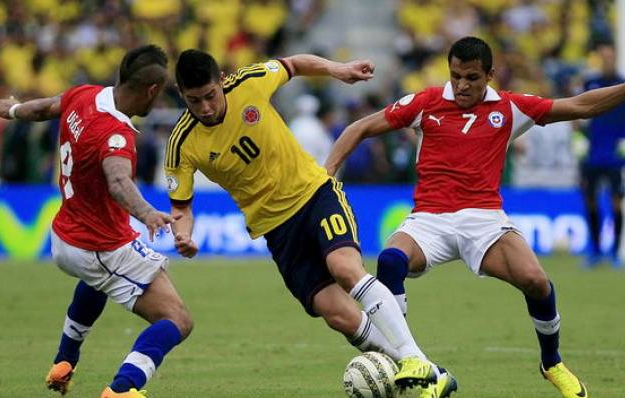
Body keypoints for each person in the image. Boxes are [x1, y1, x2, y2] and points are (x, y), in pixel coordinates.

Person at [323, 36, 625, 398]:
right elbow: (358, 129)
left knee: (536, 281)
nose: (462, 85)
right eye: (455, 76)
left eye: (471, 77)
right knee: (390, 260)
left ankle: (553, 363)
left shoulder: (511, 108)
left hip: (484, 220)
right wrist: (326, 177)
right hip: (429, 220)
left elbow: (581, 106)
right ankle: (415, 365)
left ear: (490, 75)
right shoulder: (426, 102)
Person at [164, 49, 456, 396]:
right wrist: (183, 235)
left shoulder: (249, 83)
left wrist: (338, 69)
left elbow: (294, 63)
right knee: (339, 316)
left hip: (314, 194)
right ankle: (431, 375)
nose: (206, 107)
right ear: (182, 94)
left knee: (345, 268)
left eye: (211, 96)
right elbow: (181, 205)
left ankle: (413, 358)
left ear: (222, 82)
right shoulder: (181, 143)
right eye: (195, 100)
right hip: (276, 229)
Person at [0, 45, 192, 398]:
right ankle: (122, 390)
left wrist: (13, 109)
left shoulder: (86, 95)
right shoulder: (115, 135)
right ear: (152, 90)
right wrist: (148, 213)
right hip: (100, 246)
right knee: (177, 320)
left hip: (65, 235)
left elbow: (46, 107)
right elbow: (119, 181)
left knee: (97, 283)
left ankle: (64, 360)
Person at [580, 43, 625, 268]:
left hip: (615, 154)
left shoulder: (622, 84)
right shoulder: (590, 83)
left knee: (616, 203)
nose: (606, 60)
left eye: (610, 56)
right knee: (591, 203)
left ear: (615, 58)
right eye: (603, 56)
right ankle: (595, 250)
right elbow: (579, 115)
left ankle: (615, 251)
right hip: (592, 154)